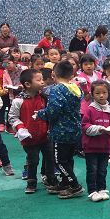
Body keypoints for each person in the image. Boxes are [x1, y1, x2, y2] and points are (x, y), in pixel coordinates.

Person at [36, 61, 84, 199]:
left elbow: (53, 110)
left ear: (53, 74)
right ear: (71, 74)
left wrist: (40, 114)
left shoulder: (57, 90)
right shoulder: (76, 88)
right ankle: (65, 183)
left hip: (61, 131)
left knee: (59, 160)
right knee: (68, 158)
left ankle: (74, 185)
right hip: (75, 129)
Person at [8, 69, 58, 193]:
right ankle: (31, 182)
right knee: (33, 160)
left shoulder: (44, 98)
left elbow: (49, 114)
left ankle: (51, 179)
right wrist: (20, 128)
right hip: (29, 138)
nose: (42, 82)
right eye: (38, 80)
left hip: (46, 135)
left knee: (50, 157)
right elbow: (12, 117)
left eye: (42, 79)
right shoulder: (18, 101)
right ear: (28, 84)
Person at [81, 81, 110, 202]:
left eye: (104, 92)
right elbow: (85, 126)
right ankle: (92, 191)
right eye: (97, 93)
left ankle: (102, 189)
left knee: (102, 170)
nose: (101, 95)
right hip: (91, 147)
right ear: (92, 94)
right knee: (92, 170)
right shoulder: (90, 109)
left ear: (108, 93)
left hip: (105, 146)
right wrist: (100, 129)